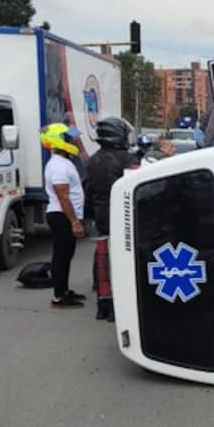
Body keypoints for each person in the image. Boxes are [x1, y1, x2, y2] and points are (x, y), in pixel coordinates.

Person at [84, 117, 138, 321]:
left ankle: (102, 304)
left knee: (102, 258)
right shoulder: (126, 159)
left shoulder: (93, 160)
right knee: (123, 261)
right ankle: (119, 306)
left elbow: (87, 190)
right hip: (123, 215)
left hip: (101, 216)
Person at [41, 123, 86, 307]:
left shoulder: (63, 162)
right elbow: (63, 196)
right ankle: (59, 296)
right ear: (60, 141)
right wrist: (74, 221)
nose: (72, 140)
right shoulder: (58, 166)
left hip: (63, 215)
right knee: (61, 256)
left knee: (66, 255)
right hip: (62, 216)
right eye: (68, 138)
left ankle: (64, 291)